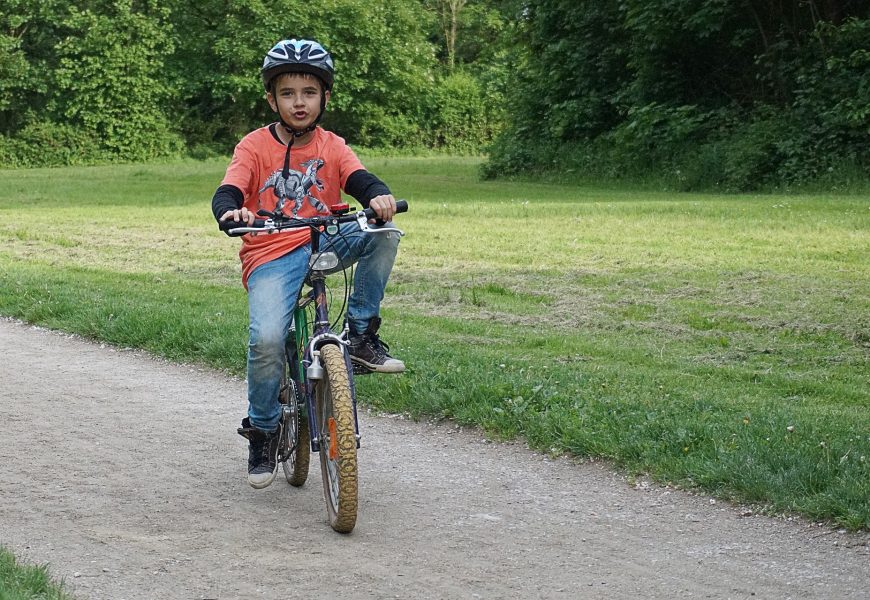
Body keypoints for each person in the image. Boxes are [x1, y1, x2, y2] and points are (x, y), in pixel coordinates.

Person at [211, 38, 405, 489]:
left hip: (325, 238)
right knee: (268, 339)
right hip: (271, 249)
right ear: (272, 98)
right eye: (288, 94)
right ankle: (262, 428)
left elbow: (360, 179)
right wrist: (231, 211)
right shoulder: (254, 146)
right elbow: (230, 190)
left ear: (325, 97)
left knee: (384, 233)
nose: (299, 103)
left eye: (309, 93)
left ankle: (360, 335)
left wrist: (377, 196)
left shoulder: (332, 146)